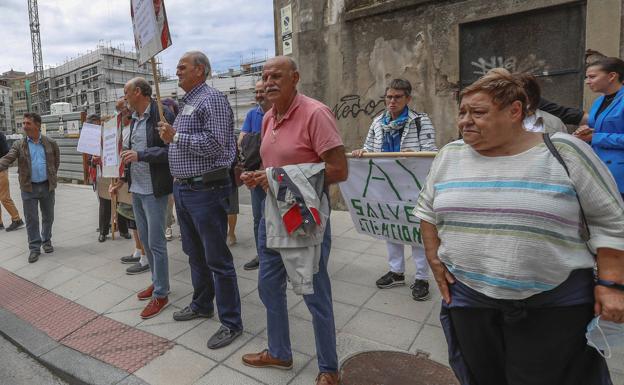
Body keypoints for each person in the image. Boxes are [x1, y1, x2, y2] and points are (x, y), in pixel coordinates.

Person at [414, 68, 624, 385]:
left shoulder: (566, 151)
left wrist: (611, 285)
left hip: (553, 306)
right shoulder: (450, 155)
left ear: (514, 111)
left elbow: (611, 221)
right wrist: (433, 258)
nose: (465, 121)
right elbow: (427, 209)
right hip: (471, 302)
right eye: (462, 112)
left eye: (478, 112)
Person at [240, 56, 348, 385]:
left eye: (277, 76)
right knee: (268, 286)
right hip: (271, 218)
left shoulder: (315, 113)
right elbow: (274, 169)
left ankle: (329, 368)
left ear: (295, 78)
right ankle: (280, 352)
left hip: (304, 218)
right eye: (265, 76)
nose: (269, 81)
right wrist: (260, 177)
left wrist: (274, 178)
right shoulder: (268, 118)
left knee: (315, 294)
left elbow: (339, 170)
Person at [158, 51, 243, 350]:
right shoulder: (187, 103)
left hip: (206, 191)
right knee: (194, 253)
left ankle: (231, 322)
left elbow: (217, 144)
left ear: (201, 70)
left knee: (217, 258)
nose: (177, 71)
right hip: (184, 190)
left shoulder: (212, 100)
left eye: (182, 67)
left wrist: (176, 137)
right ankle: (202, 303)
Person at [352, 78, 436, 301]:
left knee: (416, 231)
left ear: (408, 99)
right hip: (386, 186)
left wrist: (413, 155)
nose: (392, 101)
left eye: (397, 97)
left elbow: (430, 153)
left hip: (413, 186)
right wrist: (362, 153)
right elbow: (370, 149)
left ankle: (421, 277)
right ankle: (396, 272)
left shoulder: (421, 121)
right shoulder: (378, 122)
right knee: (391, 227)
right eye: (389, 97)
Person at [111, 77, 175, 319]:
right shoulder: (134, 120)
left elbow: (171, 150)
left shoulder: (161, 113)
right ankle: (157, 282)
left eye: (126, 92)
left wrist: (141, 155)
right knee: (146, 243)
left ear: (138, 92)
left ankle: (162, 293)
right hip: (136, 188)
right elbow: (129, 155)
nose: (124, 97)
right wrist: (120, 178)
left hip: (154, 189)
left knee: (156, 243)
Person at [0, 113, 59, 263]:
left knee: (48, 217)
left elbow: (55, 162)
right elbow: (8, 158)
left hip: (47, 186)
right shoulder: (19, 144)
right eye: (23, 124)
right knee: (31, 219)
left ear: (37, 125)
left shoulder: (50, 142)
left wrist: (51, 176)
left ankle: (46, 241)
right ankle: (34, 248)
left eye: (28, 123)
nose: (24, 126)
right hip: (28, 188)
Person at [575, 57, 624, 200]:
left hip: (619, 176)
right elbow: (597, 129)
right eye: (586, 77)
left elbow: (599, 135)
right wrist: (585, 132)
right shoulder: (598, 101)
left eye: (592, 77)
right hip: (599, 172)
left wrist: (595, 137)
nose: (587, 81)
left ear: (612, 76)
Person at [241, 80, 272, 271]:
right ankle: (262, 254)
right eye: (257, 91)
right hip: (256, 174)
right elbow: (242, 140)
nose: (259, 94)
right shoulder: (252, 114)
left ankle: (281, 258)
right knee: (258, 218)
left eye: (263, 91)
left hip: (276, 176)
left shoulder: (277, 112)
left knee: (280, 217)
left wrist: (255, 141)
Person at [86, 113, 130, 242]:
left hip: (116, 171)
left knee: (120, 201)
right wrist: (93, 160)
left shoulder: (115, 135)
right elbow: (89, 160)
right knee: (105, 204)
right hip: (102, 174)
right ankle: (104, 231)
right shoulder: (92, 139)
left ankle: (123, 230)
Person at [0, 130, 25, 232]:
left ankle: (17, 219)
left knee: (4, 197)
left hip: (1, 170)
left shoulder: (0, 135)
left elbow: (6, 152)